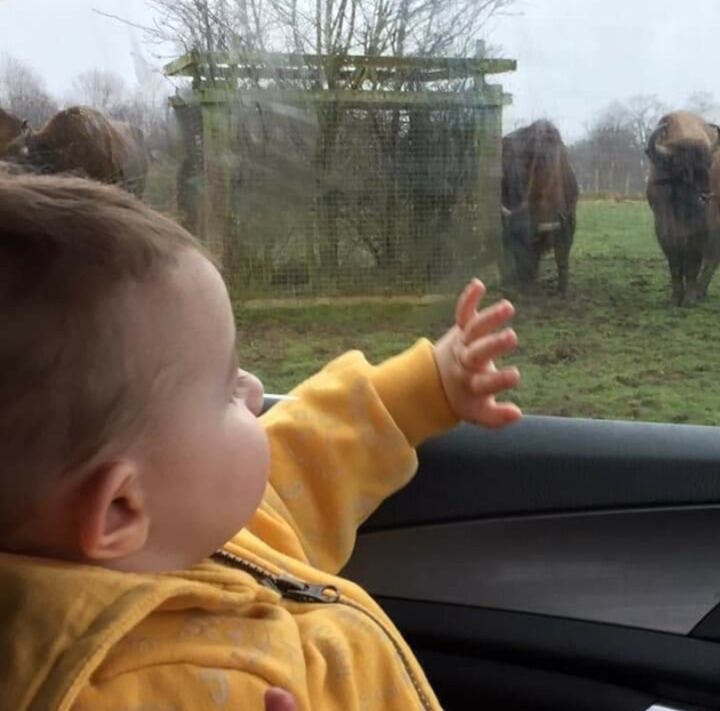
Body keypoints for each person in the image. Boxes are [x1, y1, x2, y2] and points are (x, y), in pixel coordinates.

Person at [0, 174, 521, 710]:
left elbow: (312, 450)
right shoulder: (123, 695)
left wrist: (431, 383)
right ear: (119, 509)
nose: (253, 390)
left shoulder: (192, 527)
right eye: (226, 388)